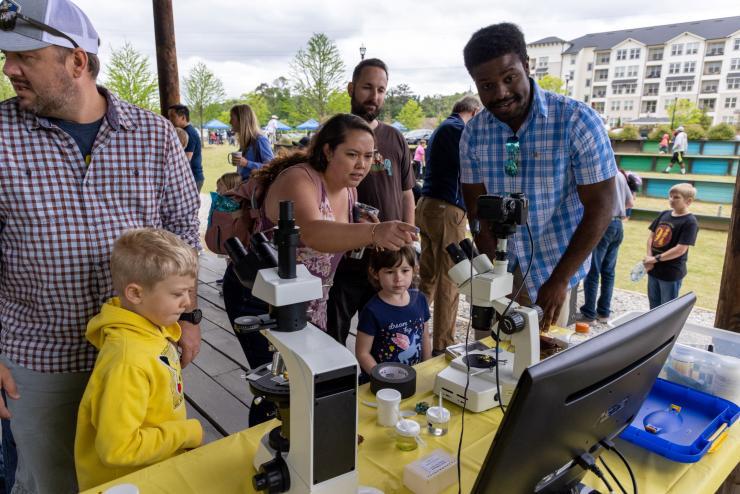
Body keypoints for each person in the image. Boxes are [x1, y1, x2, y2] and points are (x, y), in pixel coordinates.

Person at [0, 2, 202, 492]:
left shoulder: (154, 135)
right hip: (40, 359)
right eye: (7, 57)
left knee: (143, 478)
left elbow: (183, 233)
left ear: (76, 61)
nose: (9, 69)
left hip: (145, 352)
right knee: (49, 482)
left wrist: (189, 318)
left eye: (25, 56)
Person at [222, 113, 417, 369]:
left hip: (310, 302)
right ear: (328, 151)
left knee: (307, 384)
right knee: (280, 386)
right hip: (259, 294)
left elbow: (332, 240)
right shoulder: (299, 179)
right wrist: (373, 232)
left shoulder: (349, 189)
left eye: (368, 156)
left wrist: (364, 232)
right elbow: (312, 233)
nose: (362, 164)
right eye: (352, 154)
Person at [460, 23, 617, 332]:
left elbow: (602, 206)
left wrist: (559, 280)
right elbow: (477, 211)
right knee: (489, 362)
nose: (501, 93)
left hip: (554, 270)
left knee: (546, 365)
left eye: (509, 78)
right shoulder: (473, 134)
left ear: (527, 65)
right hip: (499, 270)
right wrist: (497, 278)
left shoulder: (576, 120)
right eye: (487, 85)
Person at [75, 229, 203, 490]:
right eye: (178, 294)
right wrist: (185, 434)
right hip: (131, 482)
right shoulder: (127, 362)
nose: (187, 302)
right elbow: (117, 449)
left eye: (189, 292)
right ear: (135, 293)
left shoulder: (151, 328)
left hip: (157, 466)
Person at [327, 58, 417, 346]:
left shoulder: (395, 137)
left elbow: (406, 193)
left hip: (386, 260)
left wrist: (408, 243)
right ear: (352, 88)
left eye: (380, 89)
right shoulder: (335, 134)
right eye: (367, 87)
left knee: (386, 336)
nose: (374, 96)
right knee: (333, 333)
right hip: (344, 259)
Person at [417, 96, 481, 354]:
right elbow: (472, 167)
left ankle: (413, 328)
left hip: (428, 206)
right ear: (474, 112)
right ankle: (443, 344)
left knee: (429, 276)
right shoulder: (458, 130)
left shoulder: (441, 128)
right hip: (446, 209)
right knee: (450, 278)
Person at [356, 246, 431, 378]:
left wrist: (427, 367)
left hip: (415, 377)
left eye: (405, 270)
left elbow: (424, 337)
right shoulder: (372, 310)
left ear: (414, 270)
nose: (398, 278)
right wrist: (382, 378)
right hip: (381, 384)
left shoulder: (420, 299)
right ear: (375, 273)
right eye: (390, 272)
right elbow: (362, 353)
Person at [577, 171, 634, 323]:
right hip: (617, 225)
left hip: (603, 223)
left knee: (593, 270)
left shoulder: (601, 173)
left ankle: (589, 313)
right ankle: (604, 312)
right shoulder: (621, 175)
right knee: (608, 272)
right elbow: (630, 203)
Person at [643, 183, 698, 309]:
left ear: (688, 201)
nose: (671, 200)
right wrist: (649, 258)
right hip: (653, 269)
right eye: (670, 196)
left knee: (666, 309)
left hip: (670, 273)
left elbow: (680, 249)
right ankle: (655, 329)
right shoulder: (664, 214)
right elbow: (651, 237)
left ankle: (665, 330)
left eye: (676, 197)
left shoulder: (690, 222)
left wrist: (655, 259)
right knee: (653, 306)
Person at [229, 104, 274, 180]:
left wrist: (247, 163)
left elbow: (272, 166)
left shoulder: (260, 140)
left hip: (255, 189)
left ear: (242, 120)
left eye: (232, 118)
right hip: (244, 188)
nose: (229, 122)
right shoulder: (246, 141)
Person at [168, 104, 204, 191]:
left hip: (193, 178)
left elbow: (186, 159)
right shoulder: (185, 131)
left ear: (183, 117)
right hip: (191, 177)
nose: (169, 120)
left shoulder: (188, 133)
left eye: (172, 116)